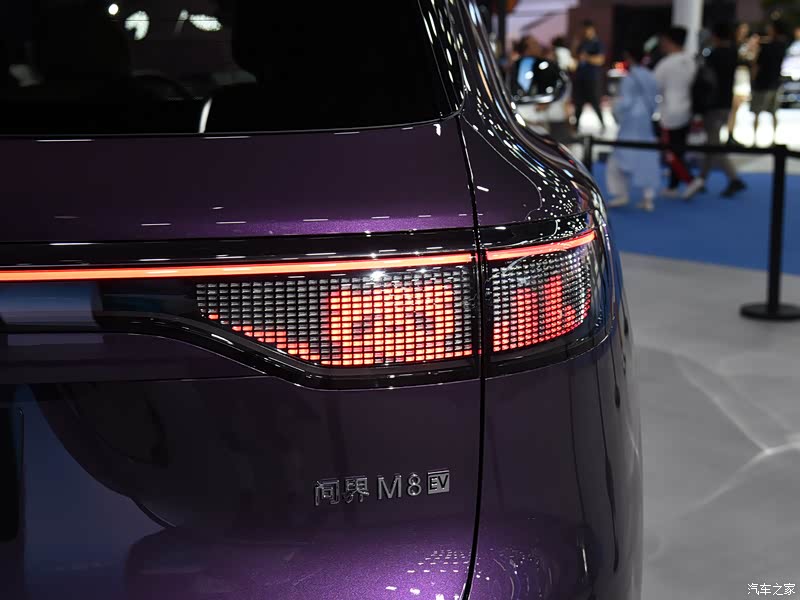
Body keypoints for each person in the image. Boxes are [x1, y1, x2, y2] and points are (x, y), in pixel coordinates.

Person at [606, 44, 661, 212]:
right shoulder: (650, 75)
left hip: (630, 122)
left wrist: (616, 110)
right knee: (646, 157)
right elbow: (655, 100)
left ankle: (620, 194)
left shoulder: (629, 78)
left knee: (618, 158)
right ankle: (648, 197)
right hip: (645, 121)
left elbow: (626, 101)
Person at [654, 26, 705, 199]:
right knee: (678, 149)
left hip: (670, 113)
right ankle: (673, 186)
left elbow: (654, 86)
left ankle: (690, 180)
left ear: (669, 41)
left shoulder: (666, 64)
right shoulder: (691, 61)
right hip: (687, 109)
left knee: (671, 152)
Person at [699, 22, 747, 197]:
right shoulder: (733, 52)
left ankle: (734, 179)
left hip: (714, 104)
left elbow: (706, 80)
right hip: (725, 102)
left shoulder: (714, 55)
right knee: (711, 143)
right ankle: (701, 179)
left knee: (714, 144)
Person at [751, 20, 789, 146]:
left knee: (757, 112)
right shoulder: (782, 46)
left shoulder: (766, 47)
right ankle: (774, 139)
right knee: (773, 112)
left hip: (762, 83)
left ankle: (755, 140)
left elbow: (757, 65)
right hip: (775, 82)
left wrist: (753, 79)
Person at [572, 20, 607, 132]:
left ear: (592, 29)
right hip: (581, 77)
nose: (585, 32)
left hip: (592, 78)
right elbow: (575, 57)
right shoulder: (582, 43)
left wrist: (587, 57)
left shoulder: (597, 43)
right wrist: (575, 45)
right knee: (579, 103)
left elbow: (600, 60)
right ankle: (576, 126)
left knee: (595, 102)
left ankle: (602, 124)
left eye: (586, 29)